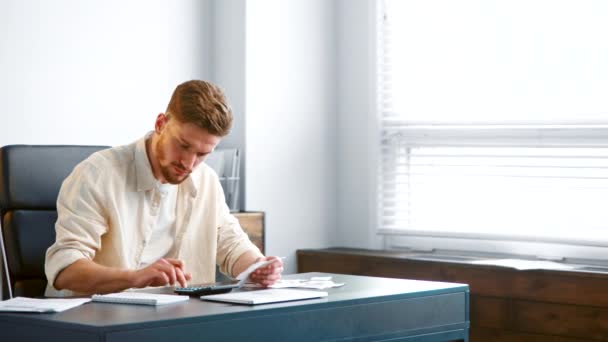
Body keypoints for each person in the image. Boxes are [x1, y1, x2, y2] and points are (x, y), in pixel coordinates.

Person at [44, 80, 283, 296]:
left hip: (173, 320)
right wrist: (135, 279)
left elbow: (231, 245)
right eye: (183, 145)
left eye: (202, 154)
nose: (189, 163)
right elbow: (65, 268)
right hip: (96, 320)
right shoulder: (97, 174)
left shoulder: (206, 180)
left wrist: (257, 268)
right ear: (160, 123)